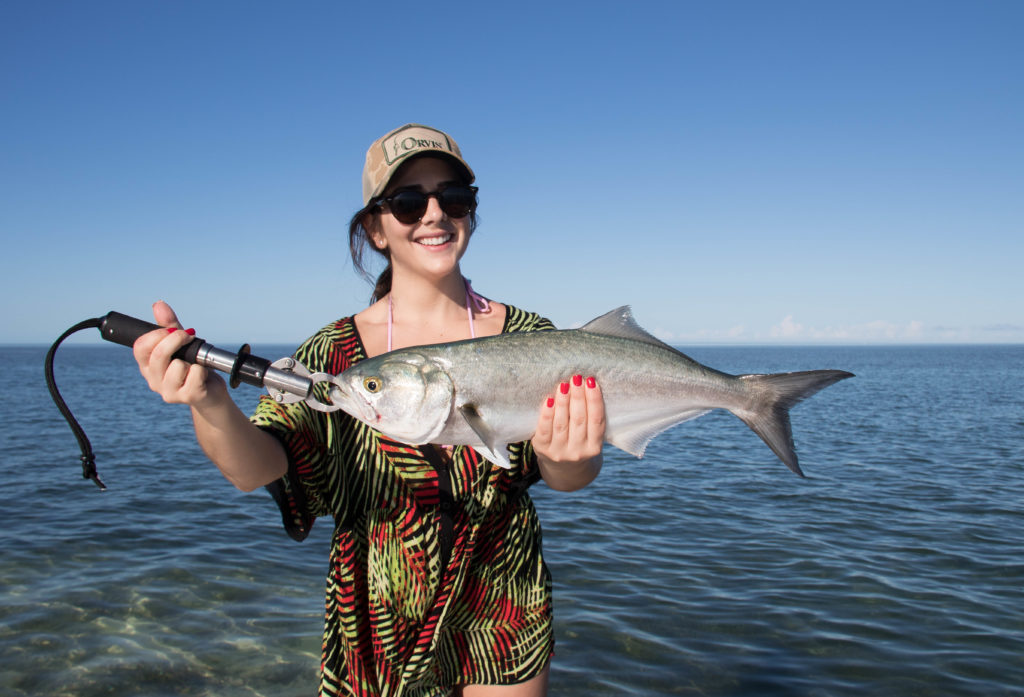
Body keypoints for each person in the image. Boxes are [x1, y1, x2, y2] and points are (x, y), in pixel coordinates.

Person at [132, 123, 605, 697]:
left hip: (502, 610)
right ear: (375, 229)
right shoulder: (332, 355)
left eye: (453, 198)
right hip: (373, 626)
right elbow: (255, 467)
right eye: (407, 202)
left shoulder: (531, 338)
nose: (433, 215)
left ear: (470, 214)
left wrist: (572, 458)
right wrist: (209, 400)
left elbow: (565, 475)